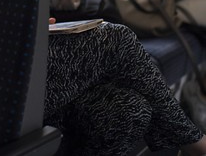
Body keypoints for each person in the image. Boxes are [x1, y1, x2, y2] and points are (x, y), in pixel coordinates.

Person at [45, 18, 206, 155]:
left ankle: (185, 137)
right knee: (117, 38)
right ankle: (188, 137)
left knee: (127, 107)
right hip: (22, 76)